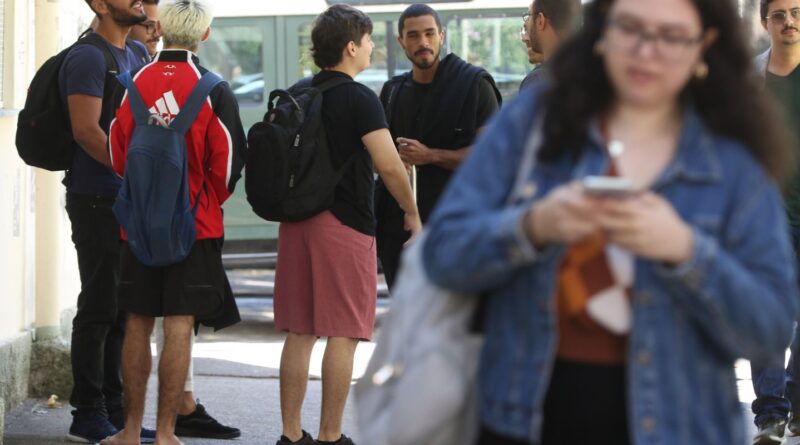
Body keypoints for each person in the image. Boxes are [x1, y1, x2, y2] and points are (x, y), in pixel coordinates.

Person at [422, 0, 800, 443]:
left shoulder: (730, 152)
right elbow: (443, 254)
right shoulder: (534, 121)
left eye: (671, 35)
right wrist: (532, 226)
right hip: (529, 413)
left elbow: (770, 325)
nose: (646, 50)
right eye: (631, 28)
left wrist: (686, 249)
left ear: (705, 43)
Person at [272, 5, 422, 445]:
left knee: (300, 331)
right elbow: (390, 166)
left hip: (296, 222)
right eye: (369, 39)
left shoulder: (301, 92)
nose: (373, 46)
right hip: (343, 225)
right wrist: (411, 211)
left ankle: (289, 435)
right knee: (344, 332)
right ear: (351, 46)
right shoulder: (359, 98)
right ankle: (330, 435)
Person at [101, 0, 246, 444]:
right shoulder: (212, 86)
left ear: (159, 30)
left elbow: (117, 152)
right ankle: (165, 433)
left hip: (138, 225)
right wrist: (202, 202)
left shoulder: (134, 81)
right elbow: (227, 166)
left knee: (138, 322)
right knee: (179, 324)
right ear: (204, 36)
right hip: (194, 226)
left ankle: (129, 431)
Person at [60, 0, 149, 442]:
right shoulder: (88, 57)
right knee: (98, 306)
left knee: (123, 308)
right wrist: (131, 171)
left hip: (129, 198)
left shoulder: (136, 54)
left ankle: (118, 413)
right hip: (96, 198)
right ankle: (87, 411)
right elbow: (86, 130)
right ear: (98, 4)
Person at [374, 3, 501, 289]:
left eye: (430, 34)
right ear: (401, 42)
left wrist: (430, 156)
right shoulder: (393, 92)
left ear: (441, 36)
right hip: (400, 231)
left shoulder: (473, 84)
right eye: (414, 36)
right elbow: (376, 159)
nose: (423, 43)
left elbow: (488, 157)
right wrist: (394, 160)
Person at [748, 1, 800, 443]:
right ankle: (770, 412)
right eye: (779, 13)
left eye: (797, 11)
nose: (789, 21)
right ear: (766, 22)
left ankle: (796, 399)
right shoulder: (748, 79)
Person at [519, 0, 581, 91]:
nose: (524, 38)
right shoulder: (591, 73)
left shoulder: (537, 82)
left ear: (540, 20)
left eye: (528, 16)